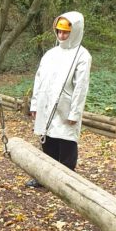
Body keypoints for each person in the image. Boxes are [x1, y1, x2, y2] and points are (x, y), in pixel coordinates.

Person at [27, 12, 91, 188]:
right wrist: (35, 104)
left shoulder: (82, 56)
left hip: (66, 106)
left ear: (75, 31)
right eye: (59, 32)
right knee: (48, 140)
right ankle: (45, 176)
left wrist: (75, 112)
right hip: (46, 104)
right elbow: (39, 80)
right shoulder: (50, 54)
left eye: (66, 32)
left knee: (66, 141)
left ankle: (67, 180)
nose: (62, 36)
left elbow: (81, 87)